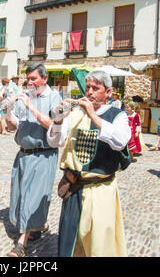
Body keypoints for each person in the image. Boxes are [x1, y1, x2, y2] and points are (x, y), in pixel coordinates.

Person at [48, 70, 131, 257]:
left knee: (99, 242)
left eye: (96, 88)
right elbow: (55, 142)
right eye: (88, 88)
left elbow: (120, 141)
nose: (90, 92)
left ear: (108, 93)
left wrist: (94, 116)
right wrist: (59, 119)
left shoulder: (118, 115)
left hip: (100, 189)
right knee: (71, 238)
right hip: (73, 187)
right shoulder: (76, 113)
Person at [3, 63, 61, 257]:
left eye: (33, 79)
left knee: (33, 196)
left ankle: (22, 244)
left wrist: (31, 106)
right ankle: (38, 225)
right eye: (27, 79)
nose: (29, 82)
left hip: (43, 154)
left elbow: (53, 126)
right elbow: (13, 127)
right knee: (21, 196)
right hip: (23, 154)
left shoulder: (54, 97)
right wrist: (9, 110)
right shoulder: (24, 98)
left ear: (44, 79)